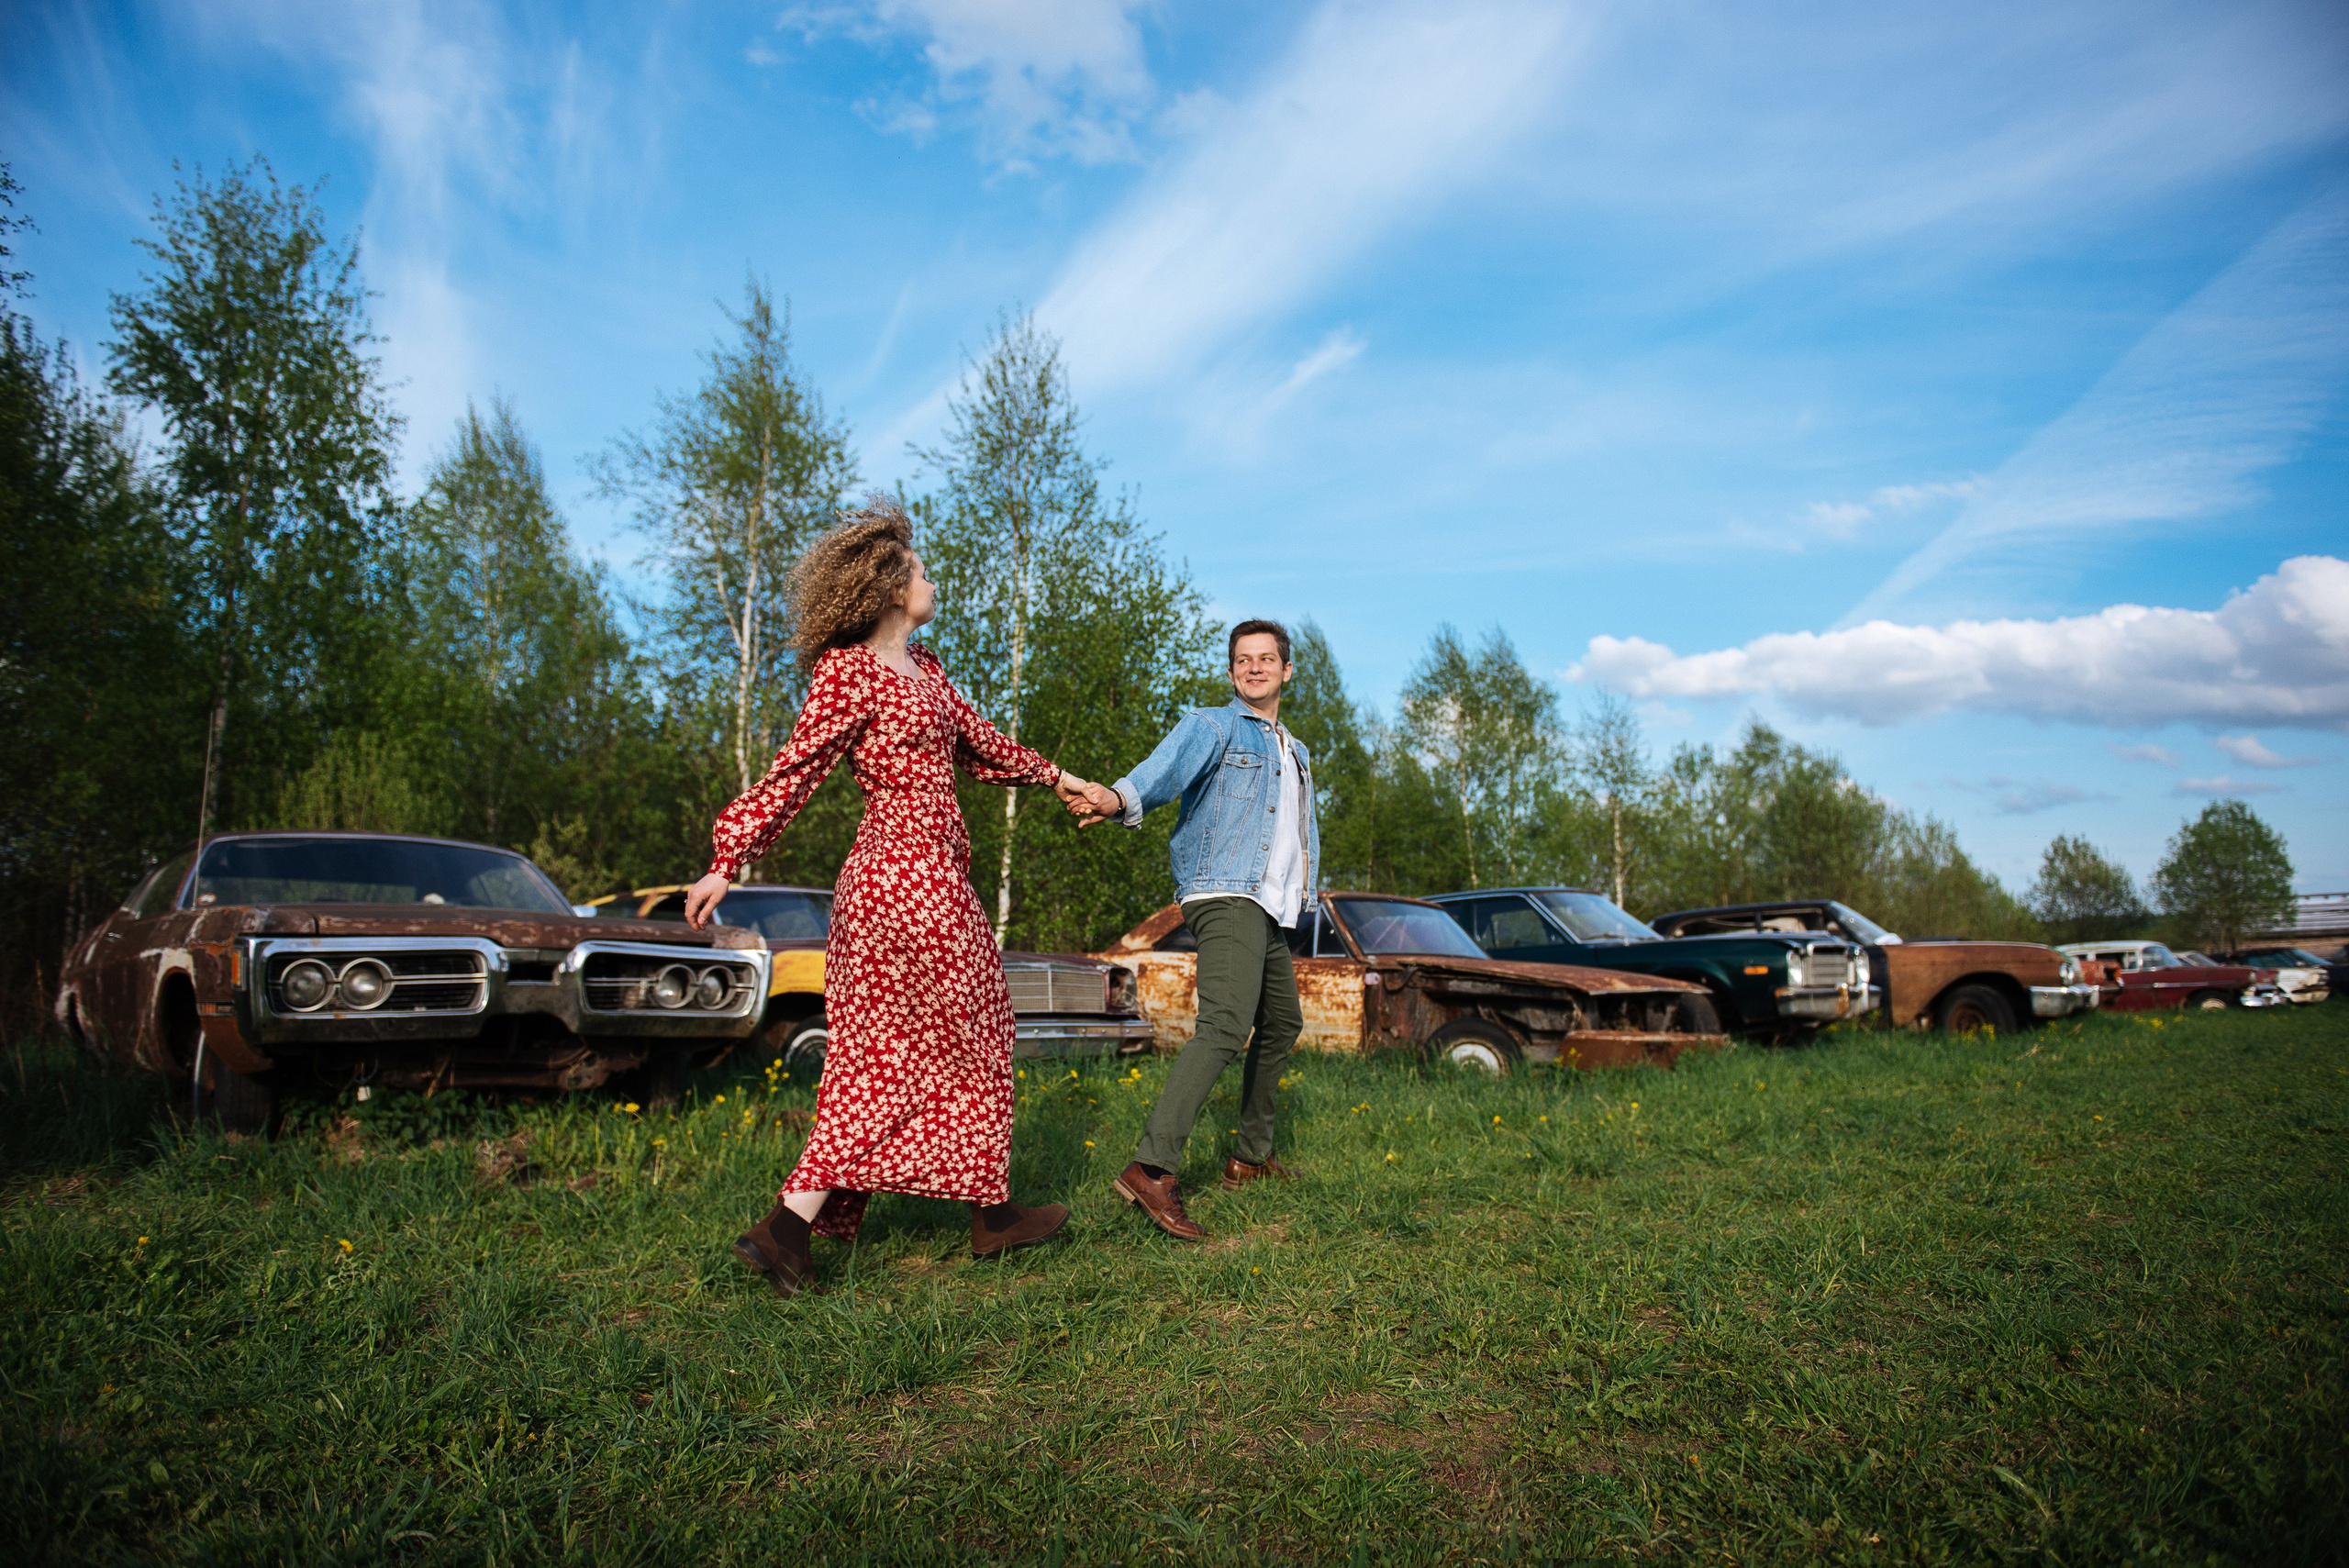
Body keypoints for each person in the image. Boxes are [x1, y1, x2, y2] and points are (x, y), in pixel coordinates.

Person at [685, 496, 1106, 1296]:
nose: (929, 579)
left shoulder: (931, 674)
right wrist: (728, 857)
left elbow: (986, 744)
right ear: (886, 588)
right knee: (912, 1048)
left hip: (936, 881)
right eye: (919, 570)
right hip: (897, 885)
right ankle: (857, 1223)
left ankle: (838, 1224)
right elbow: (795, 770)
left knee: (949, 1038)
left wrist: (1061, 779)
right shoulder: (849, 674)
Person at [1067, 620, 1318, 1242]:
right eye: (1243, 660)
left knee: (1283, 1021)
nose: (1254, 667)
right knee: (1227, 1024)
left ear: (1287, 670)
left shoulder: (1297, 750)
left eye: (1266, 659)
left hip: (1269, 904)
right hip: (1224, 889)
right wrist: (1117, 798)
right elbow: (1164, 770)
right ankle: (1152, 1167)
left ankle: (1250, 1157)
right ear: (1233, 673)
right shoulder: (1215, 725)